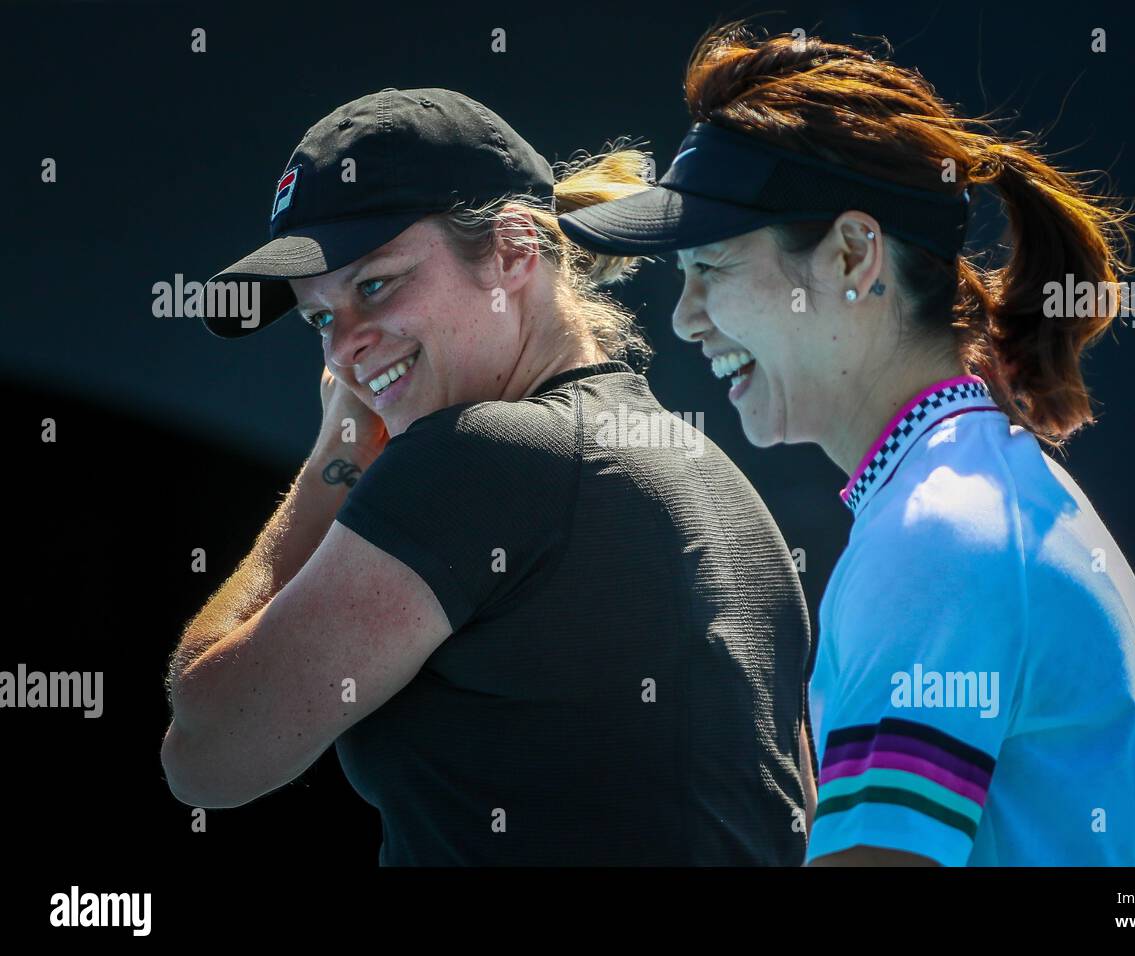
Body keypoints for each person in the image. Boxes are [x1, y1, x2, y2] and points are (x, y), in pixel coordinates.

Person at [558, 23, 1135, 866]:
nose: (684, 317)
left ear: (855, 254)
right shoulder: (973, 497)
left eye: (710, 265)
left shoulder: (934, 539)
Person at [161, 86, 815, 866]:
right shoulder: (716, 482)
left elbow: (206, 750)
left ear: (512, 252)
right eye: (319, 318)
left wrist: (336, 457)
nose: (343, 351)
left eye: (375, 285)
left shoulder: (475, 457)